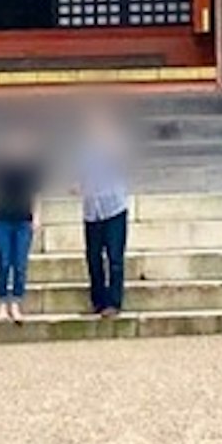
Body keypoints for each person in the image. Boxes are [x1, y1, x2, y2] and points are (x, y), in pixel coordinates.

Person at [0, 126, 45, 324]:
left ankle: (16, 303)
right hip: (3, 218)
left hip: (23, 219)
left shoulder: (31, 168)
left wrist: (37, 217)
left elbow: (36, 194)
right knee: (3, 262)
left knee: (20, 264)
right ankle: (2, 304)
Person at [76, 104, 133, 319]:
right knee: (93, 257)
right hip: (92, 209)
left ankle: (114, 302)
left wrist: (109, 139)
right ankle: (98, 300)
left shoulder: (115, 143)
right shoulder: (84, 149)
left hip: (113, 207)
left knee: (115, 257)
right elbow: (82, 175)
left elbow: (123, 161)